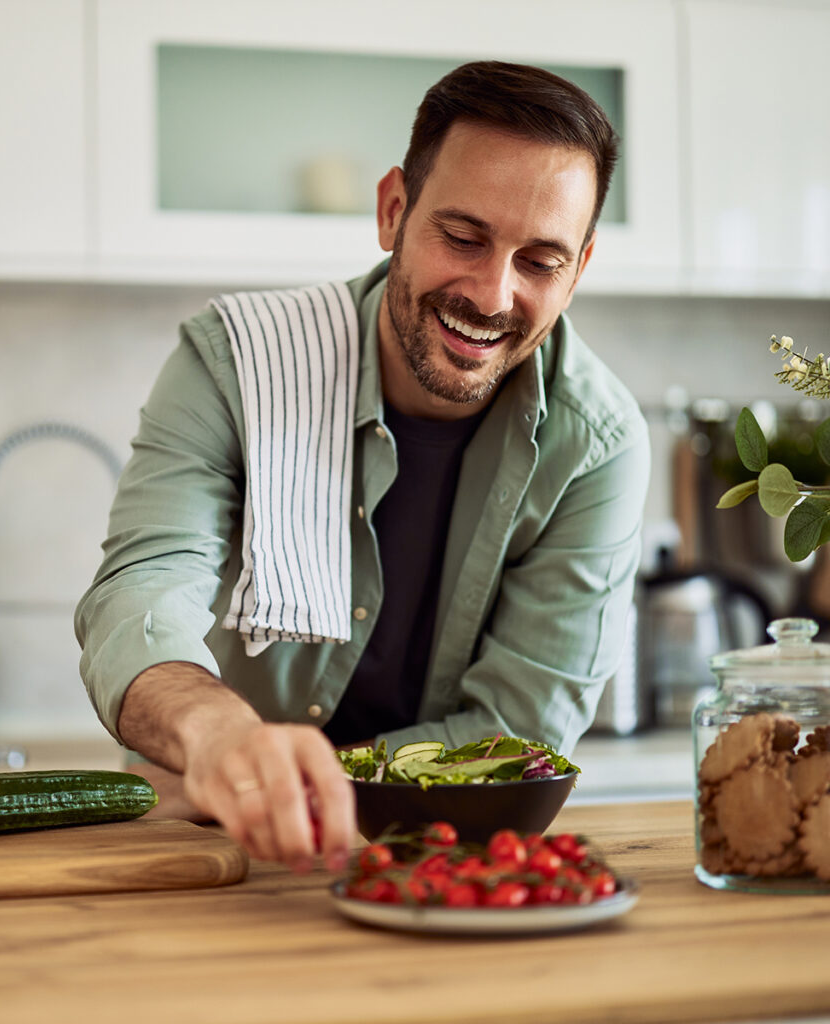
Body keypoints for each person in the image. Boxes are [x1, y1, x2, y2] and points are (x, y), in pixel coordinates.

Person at [75, 60, 650, 875]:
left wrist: (302, 784)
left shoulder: (598, 443)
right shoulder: (235, 363)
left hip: (438, 862)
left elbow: (517, 731)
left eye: (540, 261)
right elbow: (138, 595)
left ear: (580, 269)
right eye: (463, 236)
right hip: (211, 851)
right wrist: (219, 738)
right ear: (393, 210)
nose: (492, 294)